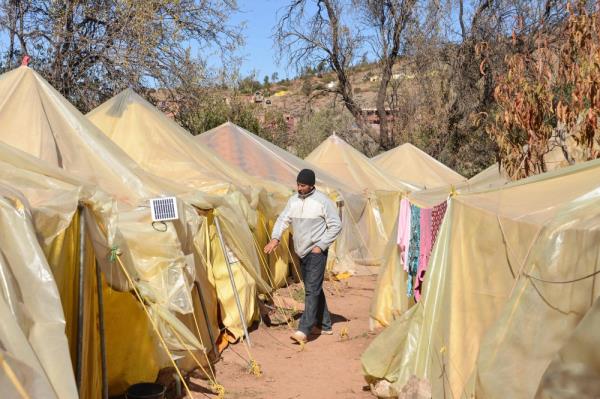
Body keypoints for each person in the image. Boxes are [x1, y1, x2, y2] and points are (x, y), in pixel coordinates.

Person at [264, 168, 342, 344]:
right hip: (301, 251)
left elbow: (336, 225)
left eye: (303, 185)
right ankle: (325, 325)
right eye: (298, 185)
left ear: (311, 185)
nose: (299, 188)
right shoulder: (293, 201)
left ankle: (304, 329)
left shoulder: (323, 201)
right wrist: (275, 238)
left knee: (311, 289)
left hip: (316, 252)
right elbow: (283, 219)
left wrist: (321, 246)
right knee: (313, 288)